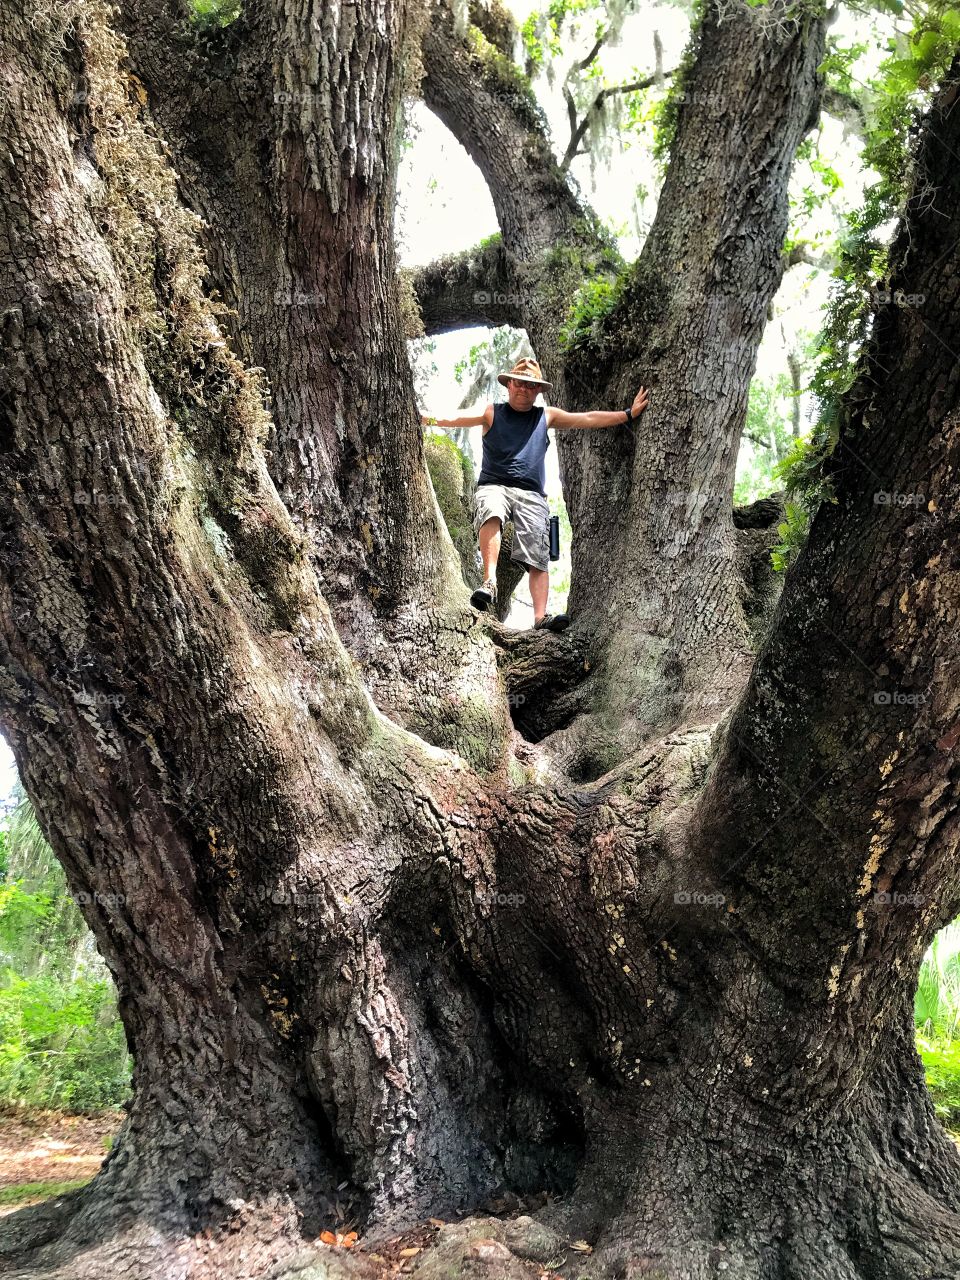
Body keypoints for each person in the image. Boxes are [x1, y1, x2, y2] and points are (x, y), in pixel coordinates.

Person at [422, 358, 649, 631]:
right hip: (495, 485)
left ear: (538, 391)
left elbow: (586, 418)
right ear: (509, 385)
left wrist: (627, 414)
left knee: (537, 550)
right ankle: (489, 582)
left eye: (531, 386)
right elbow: (455, 418)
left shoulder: (545, 416)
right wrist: (423, 417)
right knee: (491, 509)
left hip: (531, 493)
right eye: (519, 383)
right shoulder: (492, 412)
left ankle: (540, 617)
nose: (524, 389)